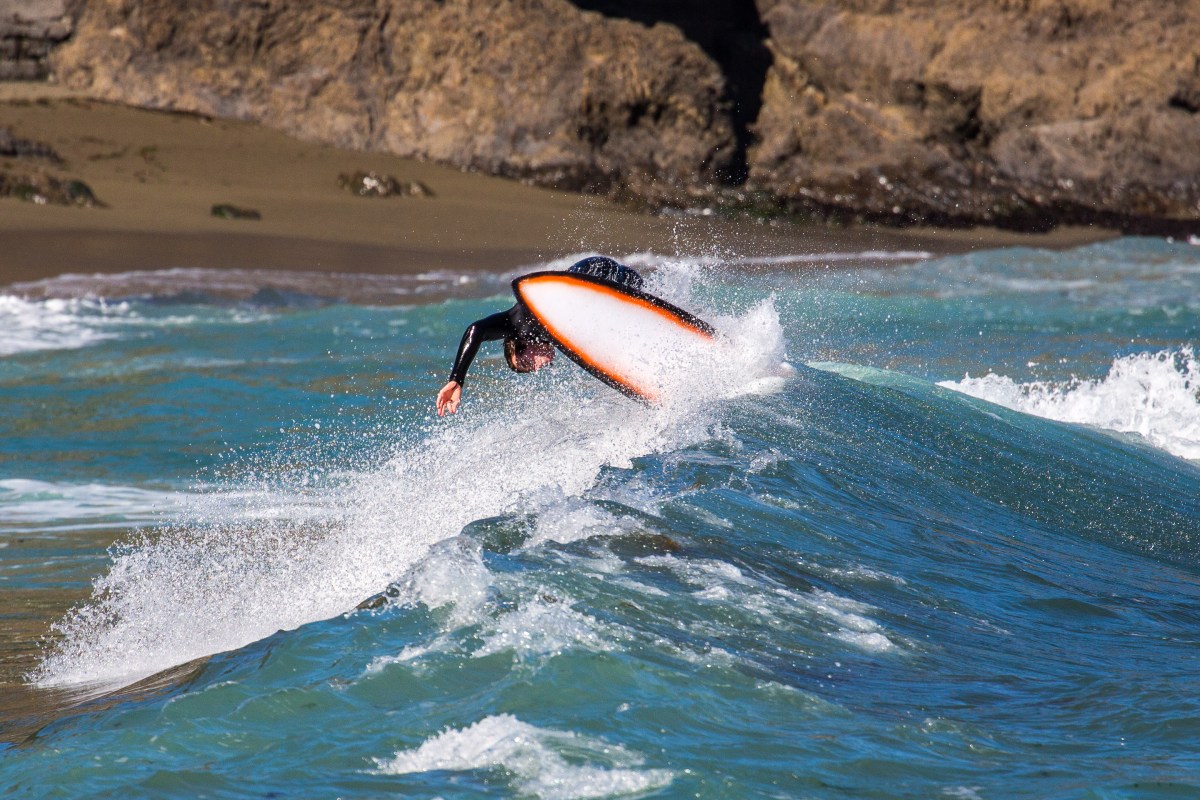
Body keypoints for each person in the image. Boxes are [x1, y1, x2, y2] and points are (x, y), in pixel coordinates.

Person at [436, 256, 644, 415]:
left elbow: (476, 330)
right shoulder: (560, 335)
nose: (536, 369)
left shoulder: (516, 324)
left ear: (520, 345)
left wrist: (457, 379)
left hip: (590, 274)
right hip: (624, 287)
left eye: (526, 364)